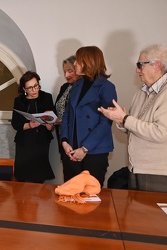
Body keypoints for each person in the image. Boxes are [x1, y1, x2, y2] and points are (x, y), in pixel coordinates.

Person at [98, 44, 167, 193]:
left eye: (140, 65)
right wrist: (119, 119)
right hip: (138, 168)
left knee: (155, 217)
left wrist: (125, 118)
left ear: (157, 65)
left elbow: (160, 133)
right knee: (136, 216)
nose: (137, 70)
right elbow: (135, 126)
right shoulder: (142, 91)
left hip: (160, 172)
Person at [60, 46, 117, 186]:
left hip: (94, 152)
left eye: (78, 60)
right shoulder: (76, 85)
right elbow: (67, 115)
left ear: (88, 62)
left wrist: (85, 148)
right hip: (71, 151)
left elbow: (105, 122)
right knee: (70, 196)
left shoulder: (107, 87)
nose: (74, 64)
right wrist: (65, 141)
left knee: (91, 197)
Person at [11, 71, 55, 183]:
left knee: (39, 176)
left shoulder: (47, 97)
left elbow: (53, 120)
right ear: (24, 89)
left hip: (41, 142)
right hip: (24, 142)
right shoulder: (19, 100)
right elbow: (15, 123)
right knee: (22, 176)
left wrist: (51, 126)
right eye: (30, 88)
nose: (34, 90)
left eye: (36, 86)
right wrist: (29, 125)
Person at [54, 55, 81, 177]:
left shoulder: (83, 88)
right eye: (64, 71)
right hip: (63, 137)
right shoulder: (65, 87)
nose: (66, 75)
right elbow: (59, 108)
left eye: (70, 71)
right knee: (68, 179)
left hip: (77, 141)